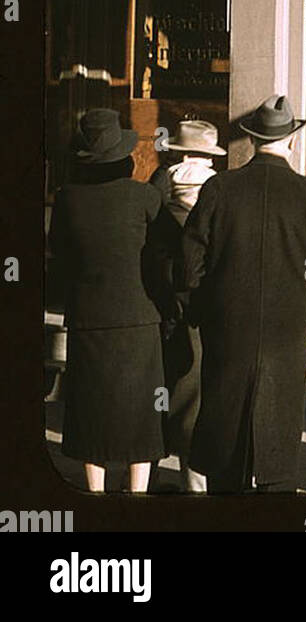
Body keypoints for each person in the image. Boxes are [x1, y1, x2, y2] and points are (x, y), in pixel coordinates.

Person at [180, 94, 306, 493]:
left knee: (224, 417)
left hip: (227, 322)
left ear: (252, 140)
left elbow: (189, 265)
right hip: (288, 325)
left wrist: (202, 309)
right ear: (290, 140)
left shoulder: (220, 188)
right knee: (280, 419)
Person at [48, 108, 178, 493]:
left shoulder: (67, 200)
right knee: (142, 411)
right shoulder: (144, 197)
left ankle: (95, 489)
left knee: (92, 408)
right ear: (123, 158)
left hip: (89, 318)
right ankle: (137, 490)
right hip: (140, 316)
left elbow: (59, 258)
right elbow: (170, 250)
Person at [149, 118, 225, 493]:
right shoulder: (214, 192)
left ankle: (147, 475)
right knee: (192, 403)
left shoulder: (160, 189)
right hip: (199, 317)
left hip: (162, 315)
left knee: (164, 398)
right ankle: (193, 481)